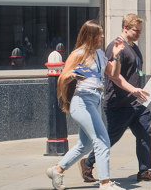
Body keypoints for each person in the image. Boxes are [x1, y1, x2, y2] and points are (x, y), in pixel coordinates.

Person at [81, 14, 151, 183]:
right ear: (125, 28)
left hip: (138, 102)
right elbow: (114, 76)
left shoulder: (134, 47)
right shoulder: (116, 47)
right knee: (110, 137)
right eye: (135, 30)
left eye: (140, 30)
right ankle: (88, 163)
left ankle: (144, 170)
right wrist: (132, 90)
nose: (139, 33)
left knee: (145, 134)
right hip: (119, 103)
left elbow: (135, 72)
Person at [45, 20, 121, 189]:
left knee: (84, 145)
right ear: (91, 35)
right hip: (82, 101)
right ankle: (105, 183)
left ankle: (57, 170)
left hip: (94, 101)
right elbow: (62, 77)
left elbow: (114, 74)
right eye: (100, 33)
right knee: (102, 140)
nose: (102, 36)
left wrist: (115, 56)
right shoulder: (78, 54)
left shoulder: (100, 54)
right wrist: (74, 75)